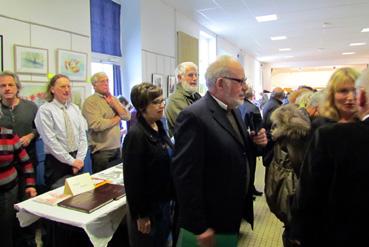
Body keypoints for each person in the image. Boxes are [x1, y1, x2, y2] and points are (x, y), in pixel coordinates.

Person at [172, 55, 267, 246]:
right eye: (240, 81)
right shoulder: (194, 116)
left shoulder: (233, 109)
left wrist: (256, 143)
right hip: (207, 222)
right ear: (221, 83)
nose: (245, 87)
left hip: (229, 213)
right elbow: (186, 177)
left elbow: (237, 150)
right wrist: (199, 226)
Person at [288, 68, 369, 246]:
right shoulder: (317, 128)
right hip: (326, 222)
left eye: (354, 90)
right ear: (332, 95)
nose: (350, 97)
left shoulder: (362, 128)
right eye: (342, 91)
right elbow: (307, 186)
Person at [123, 83, 173, 246]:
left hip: (163, 202)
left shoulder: (158, 125)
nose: (161, 105)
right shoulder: (136, 135)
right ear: (143, 106)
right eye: (156, 102)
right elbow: (133, 181)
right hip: (149, 209)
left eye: (162, 100)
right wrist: (142, 215)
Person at [35, 74, 88, 189]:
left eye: (69, 86)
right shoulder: (45, 110)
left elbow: (82, 136)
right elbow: (50, 141)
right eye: (62, 86)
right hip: (56, 163)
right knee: (60, 199)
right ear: (52, 89)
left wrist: (79, 159)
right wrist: (71, 161)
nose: (67, 90)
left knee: (81, 197)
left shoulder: (75, 108)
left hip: (77, 159)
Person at [82, 72, 130, 173]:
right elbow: (97, 125)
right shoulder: (90, 102)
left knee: (118, 181)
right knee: (103, 186)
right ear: (94, 85)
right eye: (102, 81)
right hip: (102, 152)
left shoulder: (113, 99)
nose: (106, 83)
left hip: (117, 148)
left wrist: (114, 104)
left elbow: (127, 116)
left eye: (107, 81)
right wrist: (117, 118)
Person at [0, 71, 38, 191]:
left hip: (29, 161)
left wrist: (31, 135)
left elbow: (40, 129)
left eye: (11, 85)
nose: (7, 88)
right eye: (3, 85)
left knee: (27, 196)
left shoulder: (31, 107)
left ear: (17, 87)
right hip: (4, 165)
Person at [0, 126, 37, 247]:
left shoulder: (9, 135)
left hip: (8, 191)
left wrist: (30, 185)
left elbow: (26, 162)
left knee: (6, 228)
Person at [239, 86, 263, 197]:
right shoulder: (253, 108)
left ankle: (249, 189)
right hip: (251, 142)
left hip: (240, 142)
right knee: (251, 167)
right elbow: (258, 128)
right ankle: (249, 190)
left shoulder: (236, 106)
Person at [165, 62, 201, 136]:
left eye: (196, 75)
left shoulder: (196, 96)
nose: (195, 78)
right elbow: (191, 125)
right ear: (179, 78)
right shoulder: (175, 99)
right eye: (190, 75)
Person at [262, 87, 284, 168]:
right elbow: (273, 127)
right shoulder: (276, 107)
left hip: (268, 139)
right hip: (271, 143)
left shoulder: (269, 104)